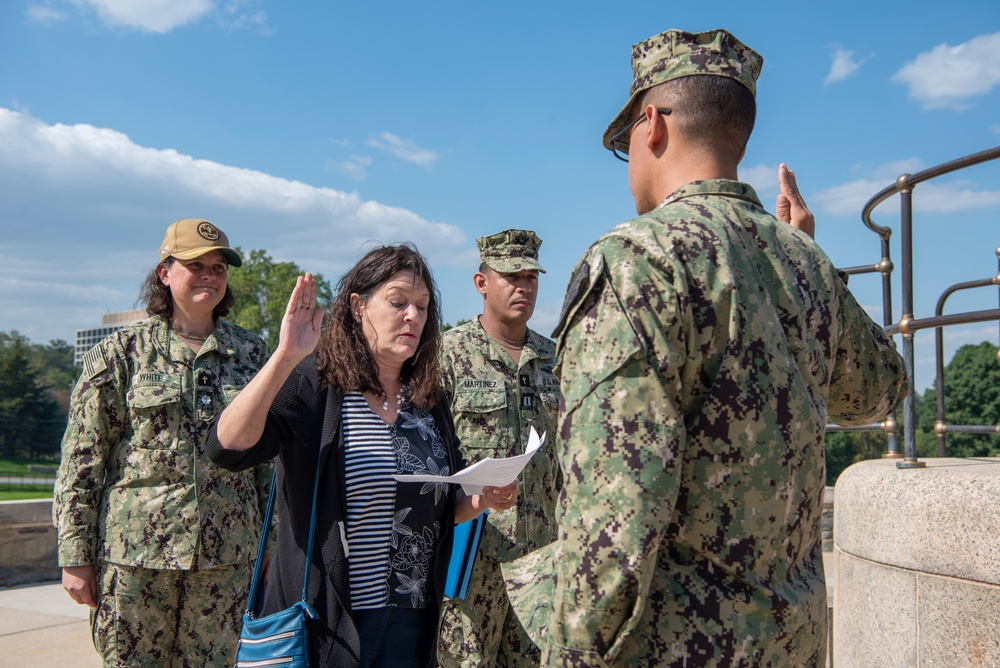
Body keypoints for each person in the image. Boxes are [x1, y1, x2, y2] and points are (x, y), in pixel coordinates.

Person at [502, 28, 908, 666]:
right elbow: (880, 389)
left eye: (625, 144)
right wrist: (812, 259)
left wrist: (575, 655)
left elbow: (616, 512)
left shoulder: (638, 259)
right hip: (791, 646)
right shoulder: (804, 262)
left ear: (652, 124)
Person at [205, 243, 520, 668]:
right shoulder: (315, 386)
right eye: (398, 302)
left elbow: (443, 507)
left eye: (423, 307)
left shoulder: (428, 401)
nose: (413, 316)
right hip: (330, 621)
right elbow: (226, 449)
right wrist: (284, 356)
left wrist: (483, 499)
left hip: (412, 617)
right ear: (358, 306)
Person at [53, 218, 274, 666]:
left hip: (227, 558)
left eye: (218, 266)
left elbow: (269, 464)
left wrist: (272, 548)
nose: (209, 275)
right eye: (195, 264)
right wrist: (74, 555)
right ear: (165, 272)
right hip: (136, 558)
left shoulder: (253, 355)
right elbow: (82, 458)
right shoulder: (122, 352)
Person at [437, 230, 561, 667]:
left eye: (530, 276)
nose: (523, 287)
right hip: (472, 561)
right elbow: (427, 455)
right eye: (510, 276)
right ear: (481, 282)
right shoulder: (447, 355)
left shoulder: (555, 358)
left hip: (540, 561)